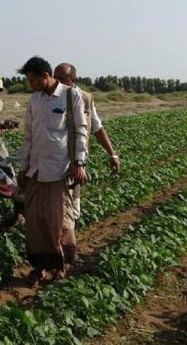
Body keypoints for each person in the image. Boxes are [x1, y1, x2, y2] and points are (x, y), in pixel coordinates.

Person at [17, 56, 88, 281]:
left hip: (59, 168)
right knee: (36, 220)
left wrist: (79, 163)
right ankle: (39, 266)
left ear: (45, 76)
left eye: (33, 80)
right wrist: (23, 167)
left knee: (57, 220)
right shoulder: (34, 101)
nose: (31, 85)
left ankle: (60, 263)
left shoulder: (71, 96)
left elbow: (80, 131)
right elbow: (28, 136)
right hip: (36, 169)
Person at [53, 63, 119, 265]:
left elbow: (96, 129)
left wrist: (112, 154)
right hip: (53, 164)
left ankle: (66, 253)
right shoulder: (50, 98)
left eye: (62, 79)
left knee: (73, 209)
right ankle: (64, 255)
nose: (58, 83)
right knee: (57, 211)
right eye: (56, 78)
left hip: (75, 163)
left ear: (73, 80)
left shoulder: (85, 99)